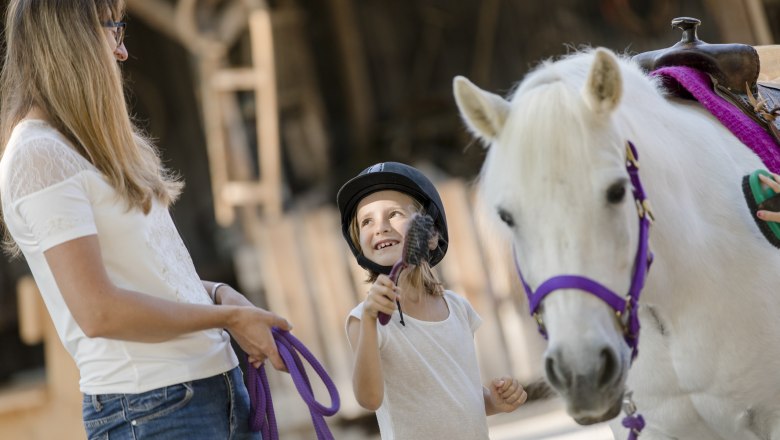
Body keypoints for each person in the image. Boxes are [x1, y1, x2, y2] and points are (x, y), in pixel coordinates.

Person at [0, 1, 290, 439]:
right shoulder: (38, 156)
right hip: (153, 408)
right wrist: (226, 321)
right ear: (71, 41)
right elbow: (99, 311)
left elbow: (153, 277)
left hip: (214, 389)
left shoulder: (89, 143)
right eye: (113, 30)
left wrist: (219, 294)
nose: (121, 52)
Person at [337, 162, 528, 439]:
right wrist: (369, 320)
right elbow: (369, 399)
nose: (380, 227)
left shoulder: (457, 308)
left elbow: (457, 396)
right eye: (367, 221)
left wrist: (494, 402)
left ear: (431, 235)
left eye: (394, 214)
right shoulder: (365, 318)